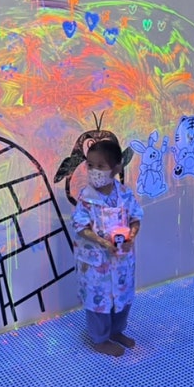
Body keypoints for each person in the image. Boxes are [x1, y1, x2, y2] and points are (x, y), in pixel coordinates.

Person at [71, 139, 143, 356]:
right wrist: (102, 242)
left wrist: (132, 236)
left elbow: (136, 218)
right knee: (99, 301)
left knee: (122, 297)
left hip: (121, 260)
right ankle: (100, 339)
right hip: (96, 262)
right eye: (90, 165)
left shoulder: (125, 194)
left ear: (116, 168)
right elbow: (80, 226)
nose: (94, 171)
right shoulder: (86, 198)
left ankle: (116, 331)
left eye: (100, 166)